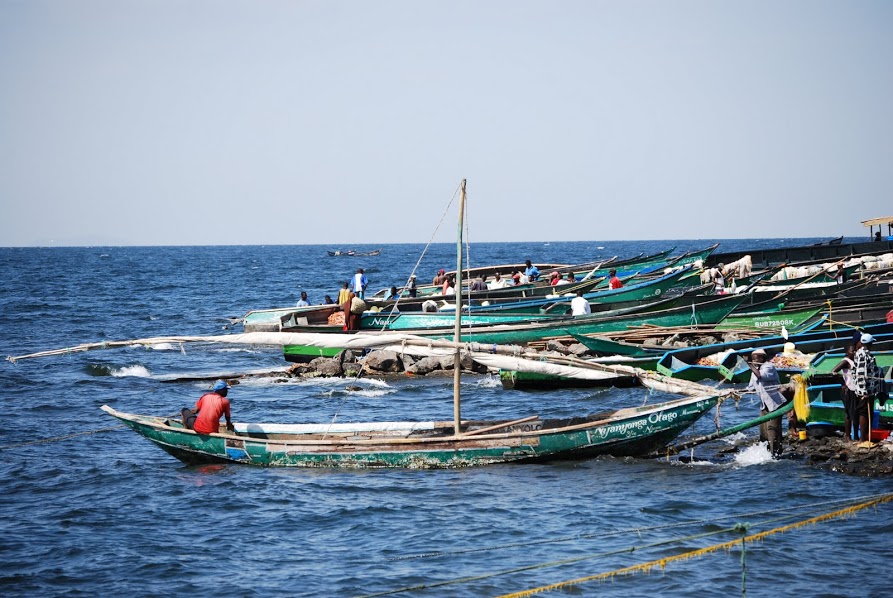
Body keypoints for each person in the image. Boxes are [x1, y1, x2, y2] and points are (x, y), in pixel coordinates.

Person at [745, 348, 787, 457]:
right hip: (764, 406)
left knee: (772, 431)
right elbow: (750, 388)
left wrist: (749, 364)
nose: (754, 361)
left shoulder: (769, 367)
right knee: (763, 432)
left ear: (762, 358)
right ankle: (766, 454)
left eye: (756, 358)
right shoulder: (754, 371)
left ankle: (775, 454)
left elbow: (760, 376)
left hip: (775, 405)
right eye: (752, 359)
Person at [854, 333, 882, 442]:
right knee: (864, 413)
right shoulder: (863, 355)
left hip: (870, 390)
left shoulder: (866, 354)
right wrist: (864, 392)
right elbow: (861, 374)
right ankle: (862, 439)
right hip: (865, 391)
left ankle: (866, 437)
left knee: (868, 412)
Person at [831, 345, 859, 440]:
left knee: (855, 413)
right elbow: (833, 371)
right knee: (849, 412)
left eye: (855, 351)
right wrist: (843, 383)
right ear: (847, 352)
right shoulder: (846, 361)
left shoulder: (855, 360)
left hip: (855, 390)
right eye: (852, 351)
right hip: (848, 390)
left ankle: (855, 435)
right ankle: (847, 435)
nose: (854, 352)